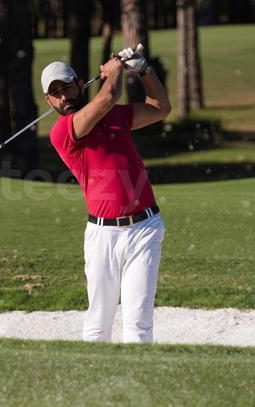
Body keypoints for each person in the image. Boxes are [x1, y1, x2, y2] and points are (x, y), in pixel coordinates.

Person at [42, 48, 171, 343]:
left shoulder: (115, 116)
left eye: (67, 87)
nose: (64, 96)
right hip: (102, 236)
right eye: (56, 93)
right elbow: (106, 98)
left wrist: (142, 70)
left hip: (145, 229)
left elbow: (160, 108)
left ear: (79, 83)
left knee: (138, 323)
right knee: (98, 324)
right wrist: (114, 70)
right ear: (48, 101)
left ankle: (139, 386)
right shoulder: (63, 131)